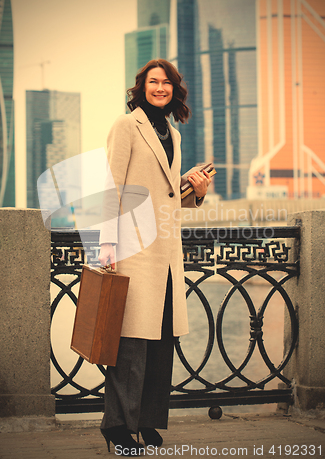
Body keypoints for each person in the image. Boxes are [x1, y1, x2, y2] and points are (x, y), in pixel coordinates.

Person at [98, 59, 211, 456]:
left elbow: (169, 198)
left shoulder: (173, 135)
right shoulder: (126, 125)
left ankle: (147, 421)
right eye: (153, 82)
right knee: (128, 346)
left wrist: (195, 189)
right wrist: (107, 249)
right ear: (141, 87)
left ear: (174, 89)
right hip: (130, 252)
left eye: (166, 82)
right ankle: (117, 429)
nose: (160, 88)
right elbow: (111, 189)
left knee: (161, 342)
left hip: (166, 253)